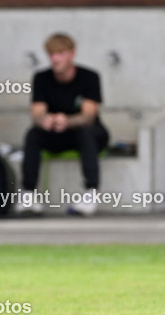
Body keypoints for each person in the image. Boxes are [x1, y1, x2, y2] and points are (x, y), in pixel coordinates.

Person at [19, 33, 109, 217]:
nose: (55, 58)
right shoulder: (41, 78)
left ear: (72, 54)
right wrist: (46, 120)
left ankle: (91, 193)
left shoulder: (89, 77)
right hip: (56, 134)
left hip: (86, 133)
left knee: (86, 132)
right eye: (51, 54)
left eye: (60, 53)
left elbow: (89, 115)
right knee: (33, 134)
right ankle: (28, 194)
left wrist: (67, 121)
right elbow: (36, 113)